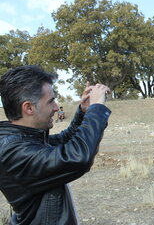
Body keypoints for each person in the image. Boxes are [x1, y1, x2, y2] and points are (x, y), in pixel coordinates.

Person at [0, 65, 111, 225]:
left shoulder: (25, 139)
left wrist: (84, 111)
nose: (56, 107)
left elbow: (65, 140)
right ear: (29, 107)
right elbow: (78, 157)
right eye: (50, 101)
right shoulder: (13, 151)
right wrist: (97, 109)